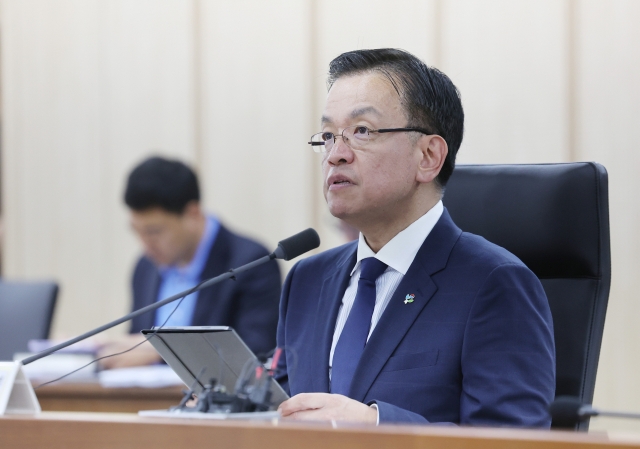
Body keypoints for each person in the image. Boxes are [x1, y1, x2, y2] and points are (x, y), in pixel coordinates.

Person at [275, 49, 555, 426]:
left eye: (362, 131)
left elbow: (512, 439)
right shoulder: (307, 280)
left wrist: (378, 425)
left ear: (428, 156)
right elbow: (278, 409)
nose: (336, 154)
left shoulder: (494, 283)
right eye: (327, 136)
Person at [99, 156, 281, 368]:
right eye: (137, 232)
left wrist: (161, 352)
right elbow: (135, 346)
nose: (145, 245)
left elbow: (256, 352)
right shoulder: (145, 267)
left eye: (154, 232)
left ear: (192, 214)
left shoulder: (250, 262)